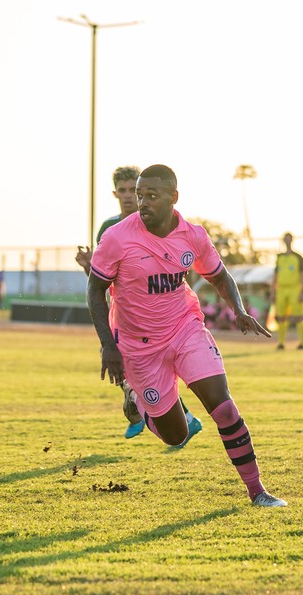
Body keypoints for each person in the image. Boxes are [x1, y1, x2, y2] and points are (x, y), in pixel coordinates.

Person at [87, 164, 287, 507]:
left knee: (223, 407)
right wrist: (109, 345)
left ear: (173, 198)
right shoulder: (117, 237)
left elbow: (220, 276)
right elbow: (94, 291)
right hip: (138, 347)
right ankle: (136, 398)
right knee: (175, 436)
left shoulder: (193, 235)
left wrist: (238, 309)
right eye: (139, 195)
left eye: (152, 196)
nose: (143, 202)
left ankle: (258, 492)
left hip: (185, 328)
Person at [76, 165, 202, 441]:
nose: (128, 197)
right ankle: (157, 411)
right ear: (115, 194)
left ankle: (168, 414)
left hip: (164, 317)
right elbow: (102, 281)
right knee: (124, 366)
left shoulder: (161, 222)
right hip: (124, 317)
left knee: (159, 370)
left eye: (131, 190)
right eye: (121, 191)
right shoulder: (110, 230)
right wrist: (89, 268)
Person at [271, 232, 303, 350]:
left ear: (292, 240)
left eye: (289, 239)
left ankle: (302, 343)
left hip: (294, 289)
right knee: (281, 317)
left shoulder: (298, 257)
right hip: (281, 290)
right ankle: (281, 343)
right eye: (285, 239)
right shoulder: (279, 257)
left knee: (298, 317)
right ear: (283, 240)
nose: (287, 241)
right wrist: (273, 291)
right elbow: (275, 275)